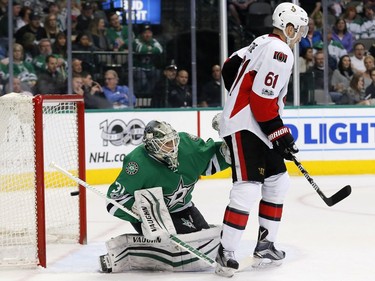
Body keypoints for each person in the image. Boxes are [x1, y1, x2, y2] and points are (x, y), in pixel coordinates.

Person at [215, 3, 308, 277]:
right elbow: (262, 98)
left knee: (278, 181)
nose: (301, 36)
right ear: (288, 27)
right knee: (247, 187)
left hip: (257, 124)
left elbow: (229, 67)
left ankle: (265, 245)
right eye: (299, 30)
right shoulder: (281, 51)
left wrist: (237, 99)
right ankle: (226, 252)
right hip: (247, 126)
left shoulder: (261, 42)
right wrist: (279, 133)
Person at [99, 120, 230, 273]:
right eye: (167, 144)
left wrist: (229, 143)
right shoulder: (137, 163)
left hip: (183, 207)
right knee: (176, 252)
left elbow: (212, 161)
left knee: (204, 245)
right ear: (153, 145)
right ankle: (124, 252)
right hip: (155, 216)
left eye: (174, 141)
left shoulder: (187, 146)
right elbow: (114, 201)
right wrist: (138, 210)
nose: (174, 147)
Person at [133, 25, 163, 95]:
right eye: (145, 33)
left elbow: (160, 49)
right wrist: (151, 49)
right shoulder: (137, 40)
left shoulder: (154, 41)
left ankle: (147, 95)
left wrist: (148, 49)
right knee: (142, 79)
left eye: (149, 33)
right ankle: (136, 95)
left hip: (149, 68)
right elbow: (140, 49)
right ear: (142, 34)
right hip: (137, 68)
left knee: (157, 74)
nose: (147, 35)